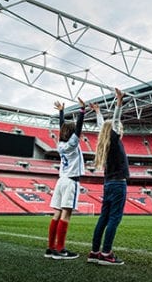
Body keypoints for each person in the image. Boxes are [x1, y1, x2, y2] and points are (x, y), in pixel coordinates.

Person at [87, 88, 129, 266]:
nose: (120, 129)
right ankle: (106, 254)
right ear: (114, 130)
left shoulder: (105, 142)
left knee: (103, 218)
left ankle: (95, 252)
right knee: (114, 219)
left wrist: (97, 112)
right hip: (118, 185)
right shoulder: (114, 139)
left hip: (108, 184)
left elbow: (101, 125)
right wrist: (119, 102)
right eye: (118, 128)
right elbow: (116, 120)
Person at [45, 97, 86, 260]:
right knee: (66, 215)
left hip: (61, 180)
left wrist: (62, 112)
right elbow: (78, 129)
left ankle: (50, 248)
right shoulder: (71, 144)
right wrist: (82, 111)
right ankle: (60, 249)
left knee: (57, 213)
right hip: (71, 181)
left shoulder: (60, 145)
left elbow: (63, 129)